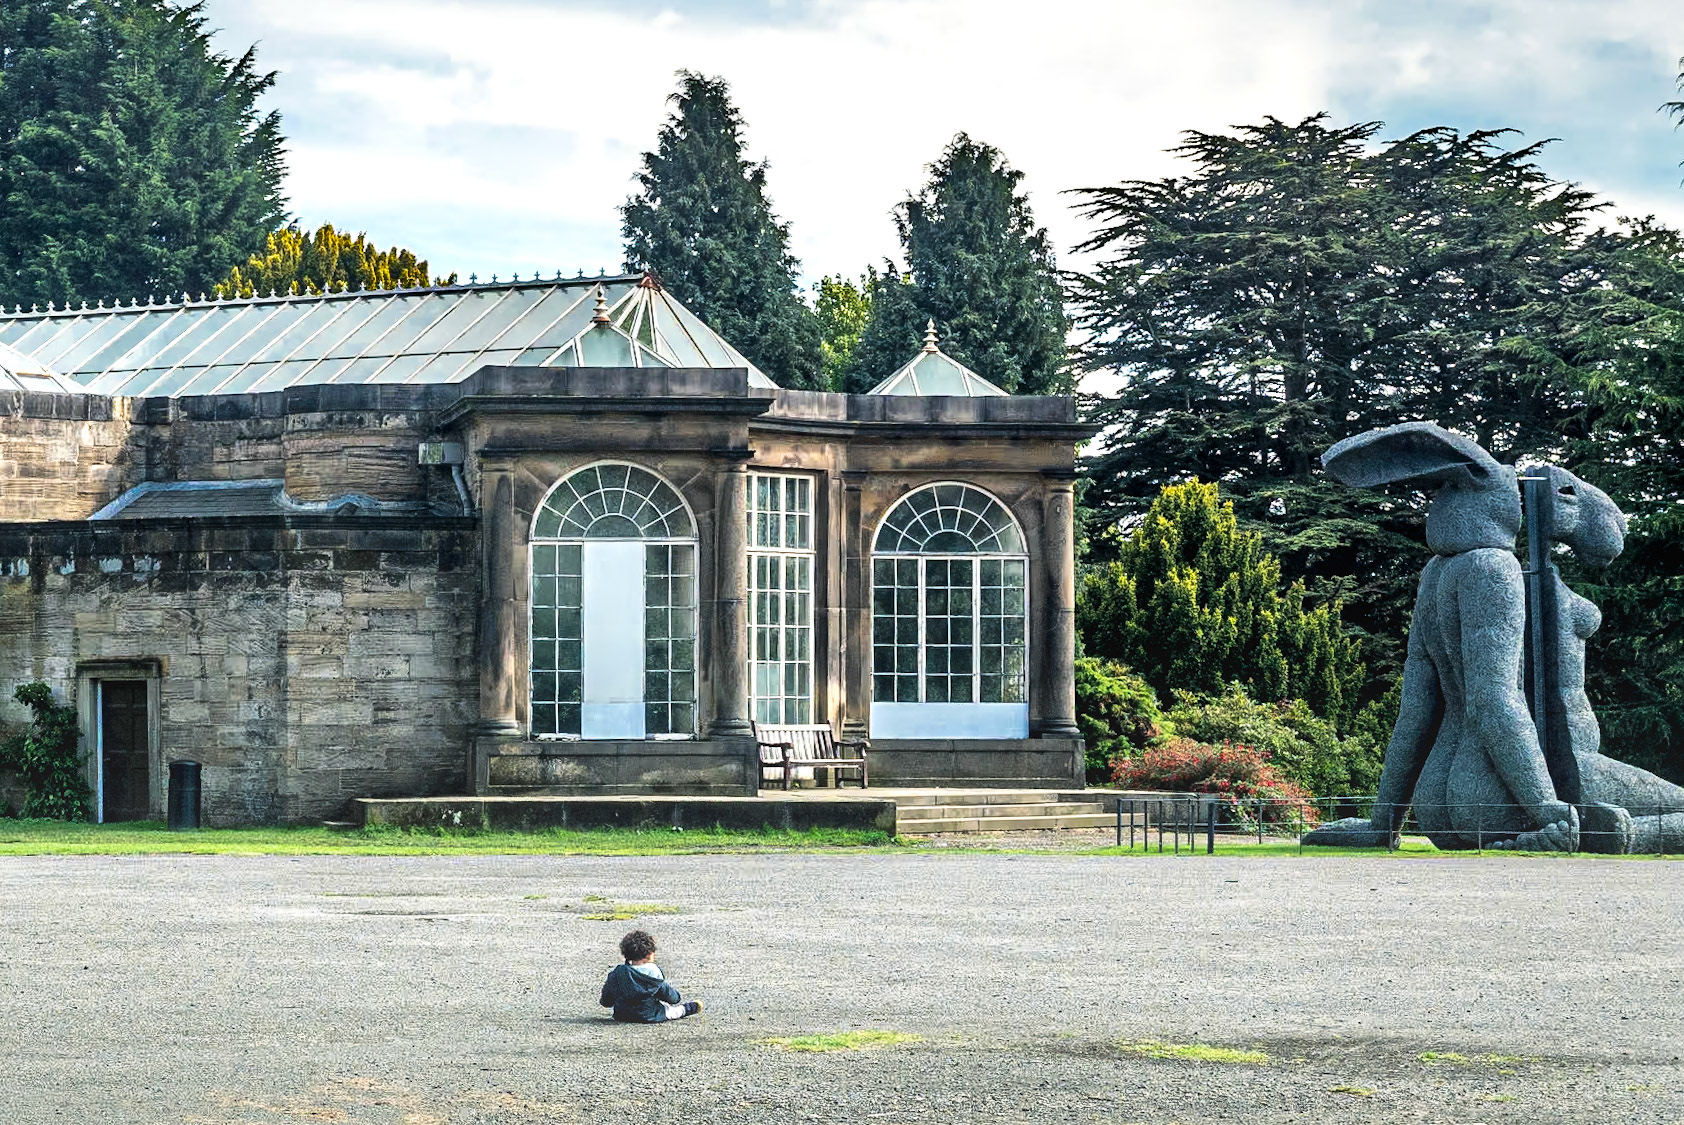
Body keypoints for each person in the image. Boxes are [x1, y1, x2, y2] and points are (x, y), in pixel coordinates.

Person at [598, 929, 703, 1023]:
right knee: (670, 1011)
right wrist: (676, 997)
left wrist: (607, 1002)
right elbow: (670, 996)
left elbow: (606, 1000)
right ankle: (687, 1008)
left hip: (622, 1015)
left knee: (661, 1008)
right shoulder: (653, 973)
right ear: (649, 955)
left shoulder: (618, 973)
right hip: (650, 1015)